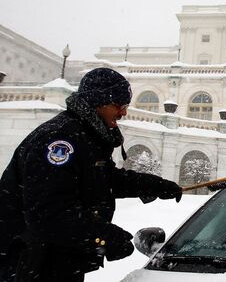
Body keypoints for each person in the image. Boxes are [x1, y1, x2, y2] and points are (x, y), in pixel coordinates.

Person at [0, 68, 183, 282]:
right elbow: (49, 214)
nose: (123, 112)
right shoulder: (60, 140)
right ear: (97, 102)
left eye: (126, 106)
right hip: (29, 262)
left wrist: (155, 185)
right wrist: (104, 237)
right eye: (118, 105)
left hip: (57, 258)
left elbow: (104, 179)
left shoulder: (86, 135)